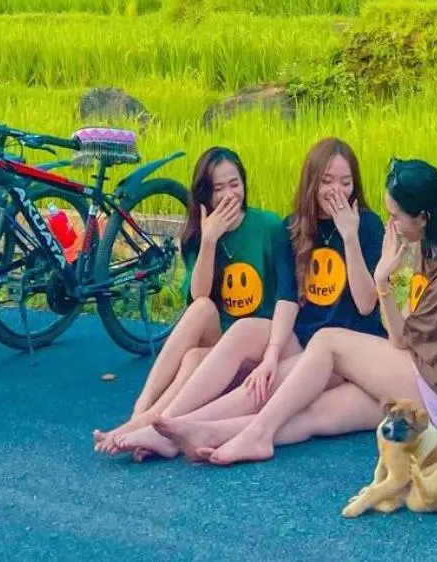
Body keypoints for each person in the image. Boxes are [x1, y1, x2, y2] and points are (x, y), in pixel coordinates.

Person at [167, 158, 437, 465]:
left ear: (423, 218)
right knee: (315, 414)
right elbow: (407, 327)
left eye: (396, 216)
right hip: (432, 377)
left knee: (329, 341)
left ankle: (255, 435)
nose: (392, 223)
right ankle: (206, 430)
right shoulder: (431, 248)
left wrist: (382, 280)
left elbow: (401, 339)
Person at [145, 138, 384, 453]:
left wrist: (350, 238)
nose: (335, 190)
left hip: (345, 350)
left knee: (261, 388)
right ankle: (158, 421)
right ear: (311, 182)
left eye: (345, 182)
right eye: (326, 181)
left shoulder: (367, 225)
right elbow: (286, 299)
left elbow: (367, 304)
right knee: (246, 333)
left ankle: (172, 432)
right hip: (302, 339)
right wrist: (271, 354)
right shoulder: (293, 227)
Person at [92, 146, 294, 456]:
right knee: (198, 324)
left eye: (234, 184)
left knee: (197, 356)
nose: (229, 194)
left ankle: (149, 424)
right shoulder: (200, 234)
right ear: (205, 195)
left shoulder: (268, 226)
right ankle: (146, 413)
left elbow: (287, 296)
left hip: (259, 340)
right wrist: (210, 239)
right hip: (221, 345)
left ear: (244, 184)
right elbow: (199, 296)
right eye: (218, 188)